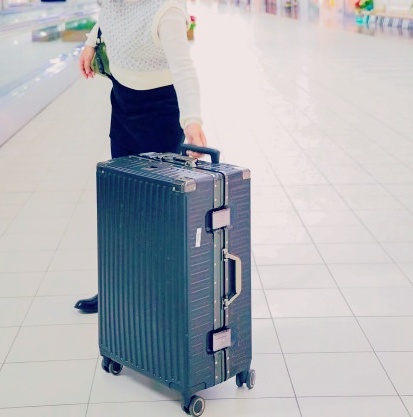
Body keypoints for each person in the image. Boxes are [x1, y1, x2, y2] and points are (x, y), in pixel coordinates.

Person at [75, 0, 207, 313]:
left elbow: (184, 68)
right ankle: (118, 288)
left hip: (160, 113)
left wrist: (192, 121)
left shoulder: (167, 10)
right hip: (123, 104)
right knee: (123, 202)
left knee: (159, 209)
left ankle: (164, 291)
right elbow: (109, 15)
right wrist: (91, 42)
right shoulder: (114, 2)